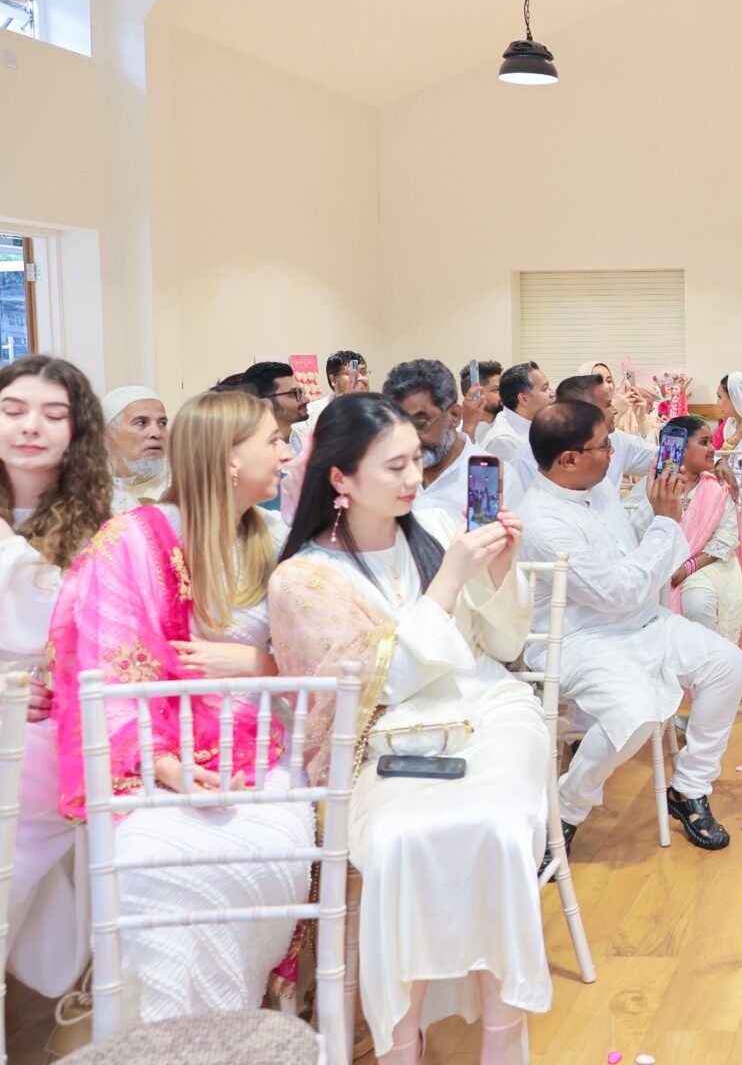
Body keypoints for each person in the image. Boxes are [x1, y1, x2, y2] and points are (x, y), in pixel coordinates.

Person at [268, 393, 547, 1065]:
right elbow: (372, 690)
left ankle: (502, 1034)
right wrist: (449, 579)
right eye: (393, 467)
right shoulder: (304, 578)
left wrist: (498, 572)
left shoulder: (440, 525)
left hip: (489, 711)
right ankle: (400, 1038)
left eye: (417, 461)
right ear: (340, 477)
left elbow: (504, 645)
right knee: (397, 842)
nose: (414, 478)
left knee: (501, 828)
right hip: (384, 743)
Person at [50, 387, 313, 1024]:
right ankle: (172, 1035)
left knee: (268, 855)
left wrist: (257, 664)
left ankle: (235, 1022)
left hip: (263, 749)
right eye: (274, 441)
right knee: (150, 867)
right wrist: (168, 767)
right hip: (154, 763)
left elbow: (320, 664)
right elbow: (103, 670)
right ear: (228, 458)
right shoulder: (133, 542)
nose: (286, 454)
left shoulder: (276, 540)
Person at [518, 400, 742, 851]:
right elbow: (619, 591)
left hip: (643, 623)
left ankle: (689, 787)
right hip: (582, 640)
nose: (613, 453)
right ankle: (566, 809)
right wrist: (666, 521)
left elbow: (627, 546)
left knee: (727, 665)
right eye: (604, 446)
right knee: (635, 714)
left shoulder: (596, 487)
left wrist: (660, 504)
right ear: (569, 459)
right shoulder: (542, 522)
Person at [0, 356, 113, 1001]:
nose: (30, 426)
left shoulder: (107, 527)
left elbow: (69, 630)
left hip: (57, 723)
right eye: (13, 410)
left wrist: (0, 544)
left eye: (53, 414)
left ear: (76, 432)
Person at [657, 415, 742, 694]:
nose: (712, 448)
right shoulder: (657, 486)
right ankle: (667, 690)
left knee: (697, 603)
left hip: (710, 566)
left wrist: (687, 568)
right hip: (660, 567)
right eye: (704, 443)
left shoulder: (717, 488)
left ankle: (712, 688)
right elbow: (638, 527)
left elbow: (726, 539)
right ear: (680, 448)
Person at [382, 358, 487, 518]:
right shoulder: (385, 474)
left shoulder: (488, 478)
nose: (410, 439)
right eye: (399, 426)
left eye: (421, 424)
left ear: (454, 415)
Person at [556, 373, 660, 492]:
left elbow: (656, 457)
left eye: (609, 380)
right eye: (608, 405)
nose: (615, 410)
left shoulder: (616, 437)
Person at [479, 361, 553, 509]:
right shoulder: (504, 441)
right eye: (545, 389)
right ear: (523, 399)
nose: (552, 393)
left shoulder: (536, 423)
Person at [103, 384, 171, 507]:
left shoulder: (179, 483)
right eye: (142, 423)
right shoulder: (86, 488)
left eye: (162, 423)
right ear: (109, 434)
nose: (156, 433)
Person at [295, 349, 368, 448]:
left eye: (363, 372)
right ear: (333, 379)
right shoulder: (312, 414)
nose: (361, 378)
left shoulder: (378, 409)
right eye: (352, 374)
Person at [236, 360, 312, 435]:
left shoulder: (306, 437)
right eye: (295, 393)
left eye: (301, 392)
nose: (306, 400)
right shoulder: (250, 442)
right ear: (262, 403)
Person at [461, 359, 503, 444]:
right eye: (497, 390)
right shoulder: (458, 434)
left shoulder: (508, 424)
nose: (504, 393)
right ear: (475, 393)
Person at [715, 373, 742, 450]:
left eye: (720, 397)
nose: (717, 403)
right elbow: (713, 456)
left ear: (736, 397)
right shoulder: (727, 425)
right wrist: (734, 438)